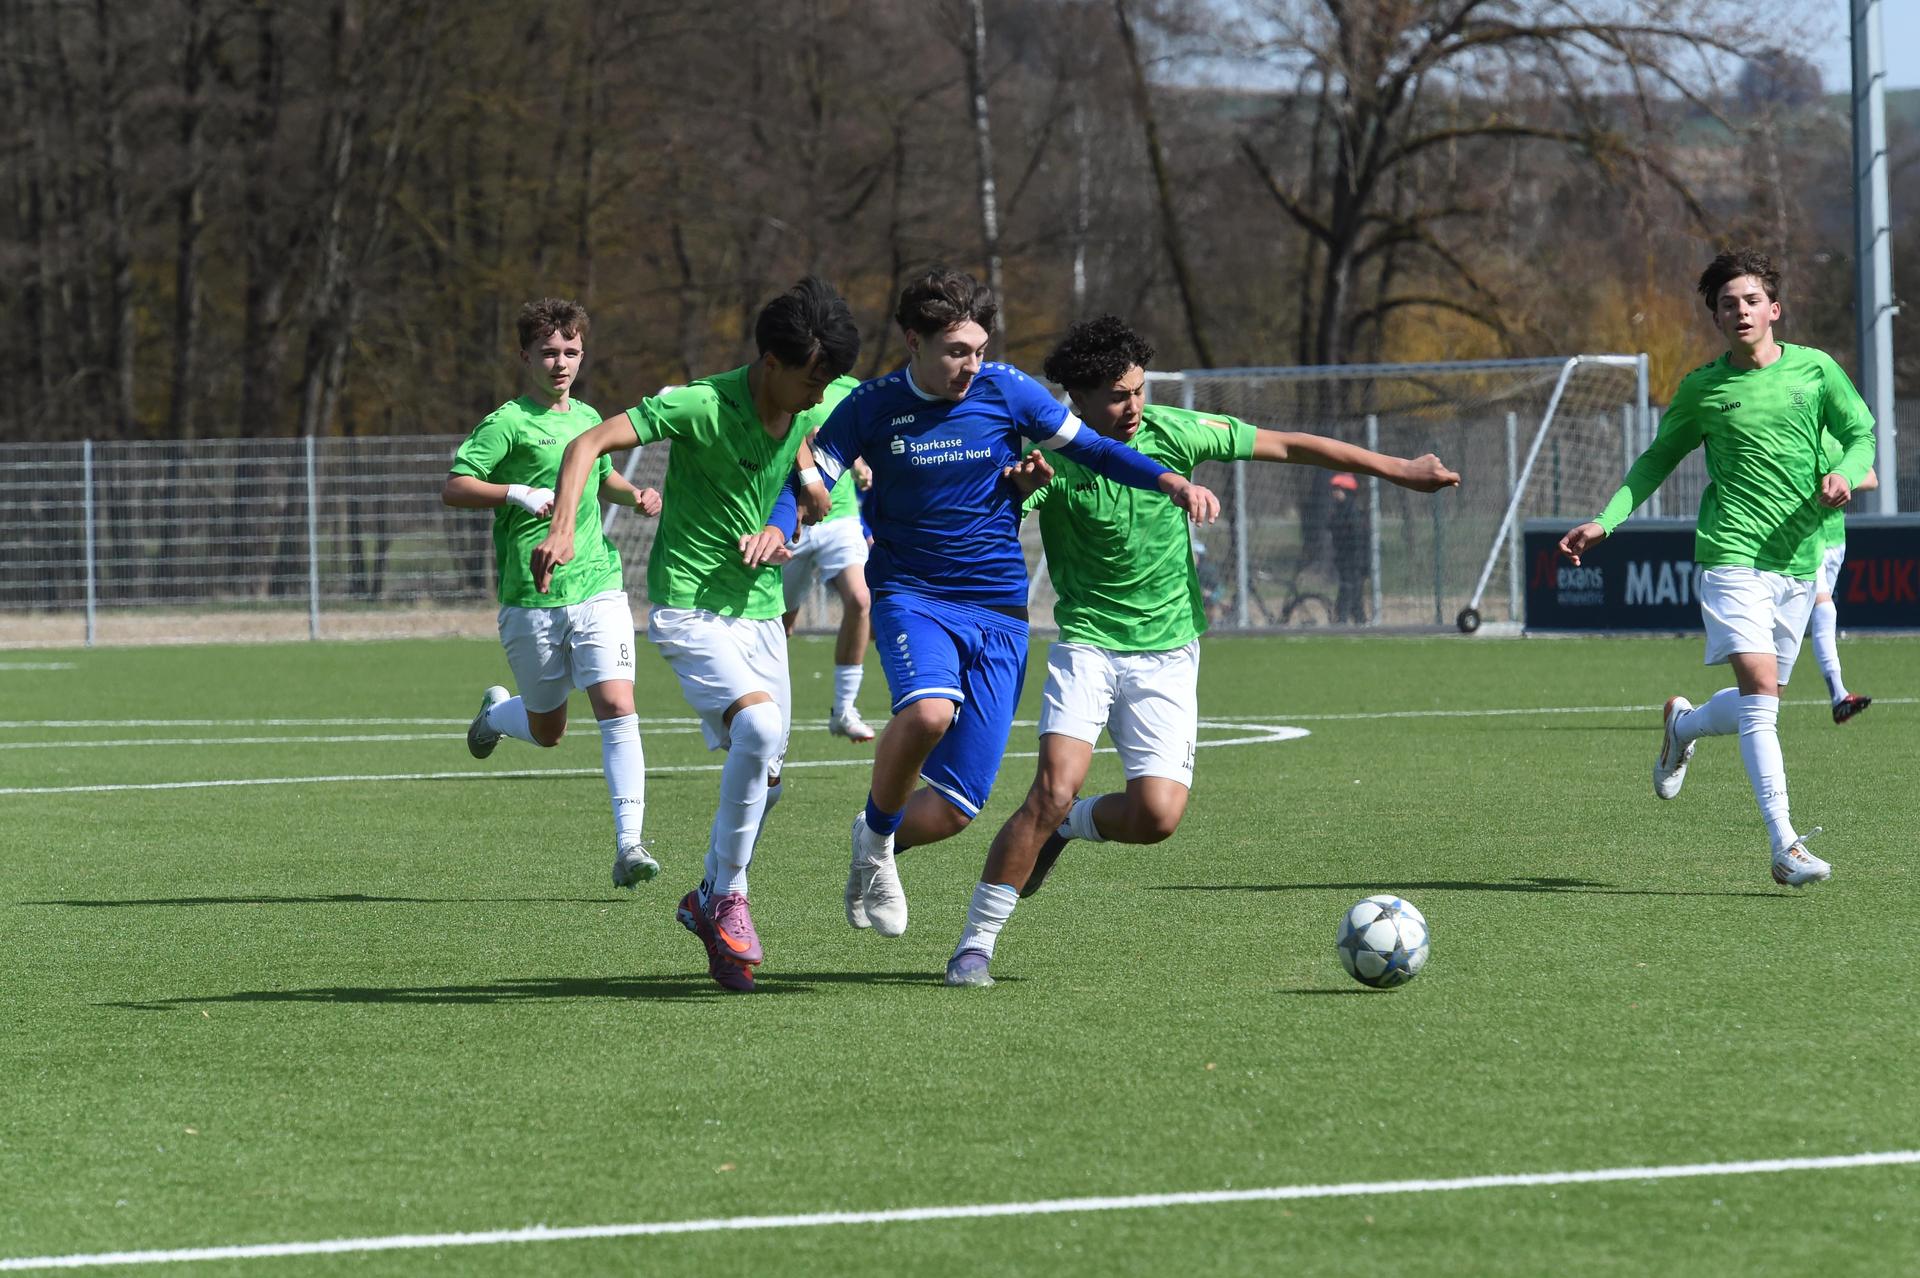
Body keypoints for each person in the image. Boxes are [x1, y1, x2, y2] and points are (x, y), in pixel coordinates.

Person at [943, 315, 1458, 986]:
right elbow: (987, 518)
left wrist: (1397, 468)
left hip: (1168, 652)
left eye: (1139, 390)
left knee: (1156, 817)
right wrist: (1015, 490)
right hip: (1089, 645)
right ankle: (974, 947)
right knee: (1050, 788)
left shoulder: (1173, 433)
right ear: (1078, 399)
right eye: (1118, 396)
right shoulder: (1048, 452)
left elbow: (1286, 444)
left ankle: (1069, 828)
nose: (1134, 407)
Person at [791, 269, 1221, 943]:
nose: (971, 365)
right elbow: (817, 460)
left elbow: (1096, 450)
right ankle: (877, 840)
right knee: (930, 710)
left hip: (999, 613)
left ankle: (870, 840)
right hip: (913, 597)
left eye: (979, 350)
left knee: (959, 806)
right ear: (914, 341)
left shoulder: (1008, 391)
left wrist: (1165, 478)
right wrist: (801, 493)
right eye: (956, 351)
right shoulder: (874, 405)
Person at [531, 277, 861, 992]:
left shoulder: (807, 405)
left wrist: (786, 520)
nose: (819, 394)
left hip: (761, 612)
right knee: (761, 730)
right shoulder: (702, 403)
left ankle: (706, 897)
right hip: (688, 607)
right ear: (771, 364)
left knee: (768, 781)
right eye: (812, 379)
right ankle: (727, 897)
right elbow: (588, 443)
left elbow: (801, 473)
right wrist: (561, 529)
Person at [1559, 248, 1875, 887]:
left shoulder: (1815, 371)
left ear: (1774, 310)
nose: (1740, 310)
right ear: (1716, 317)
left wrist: (1843, 470)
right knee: (1761, 701)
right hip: (1730, 555)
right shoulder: (1704, 389)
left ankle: (1684, 724)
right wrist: (1605, 520)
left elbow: (1863, 433)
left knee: (1765, 703)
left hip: (1798, 557)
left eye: (1751, 300)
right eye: (1727, 303)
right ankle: (1785, 845)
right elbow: (1655, 460)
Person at [443, 298, 661, 890]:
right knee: (548, 731)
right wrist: (516, 493)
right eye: (547, 352)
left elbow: (598, 475)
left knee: (617, 705)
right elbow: (456, 486)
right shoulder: (507, 422)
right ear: (524, 357)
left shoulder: (589, 417)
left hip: (597, 584)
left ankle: (629, 843)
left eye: (570, 351)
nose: (559, 363)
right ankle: (495, 715)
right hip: (531, 595)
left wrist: (632, 494)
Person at [781, 424, 877, 743]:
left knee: (861, 600)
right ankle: (762, 715)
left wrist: (860, 465)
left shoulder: (852, 390)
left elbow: (854, 442)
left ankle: (844, 710)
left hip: (841, 518)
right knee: (779, 627)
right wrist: (806, 446)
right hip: (791, 517)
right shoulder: (789, 384)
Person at [1806, 430, 1878, 724]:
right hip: (1801, 540)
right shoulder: (1795, 430)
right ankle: (1839, 695)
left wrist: (1841, 481)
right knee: (1824, 610)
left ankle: (1748, 697)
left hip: (1835, 542)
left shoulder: (1836, 434)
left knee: (1795, 627)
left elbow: (1871, 477)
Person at [1328, 471, 1368, 623]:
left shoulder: (1353, 513)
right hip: (1345, 563)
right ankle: (1359, 623)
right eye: (1334, 489)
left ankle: (1343, 622)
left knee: (1349, 595)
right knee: (1354, 598)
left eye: (1338, 489)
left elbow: (1357, 540)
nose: (1335, 493)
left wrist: (1360, 563)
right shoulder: (1339, 512)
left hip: (1355, 564)